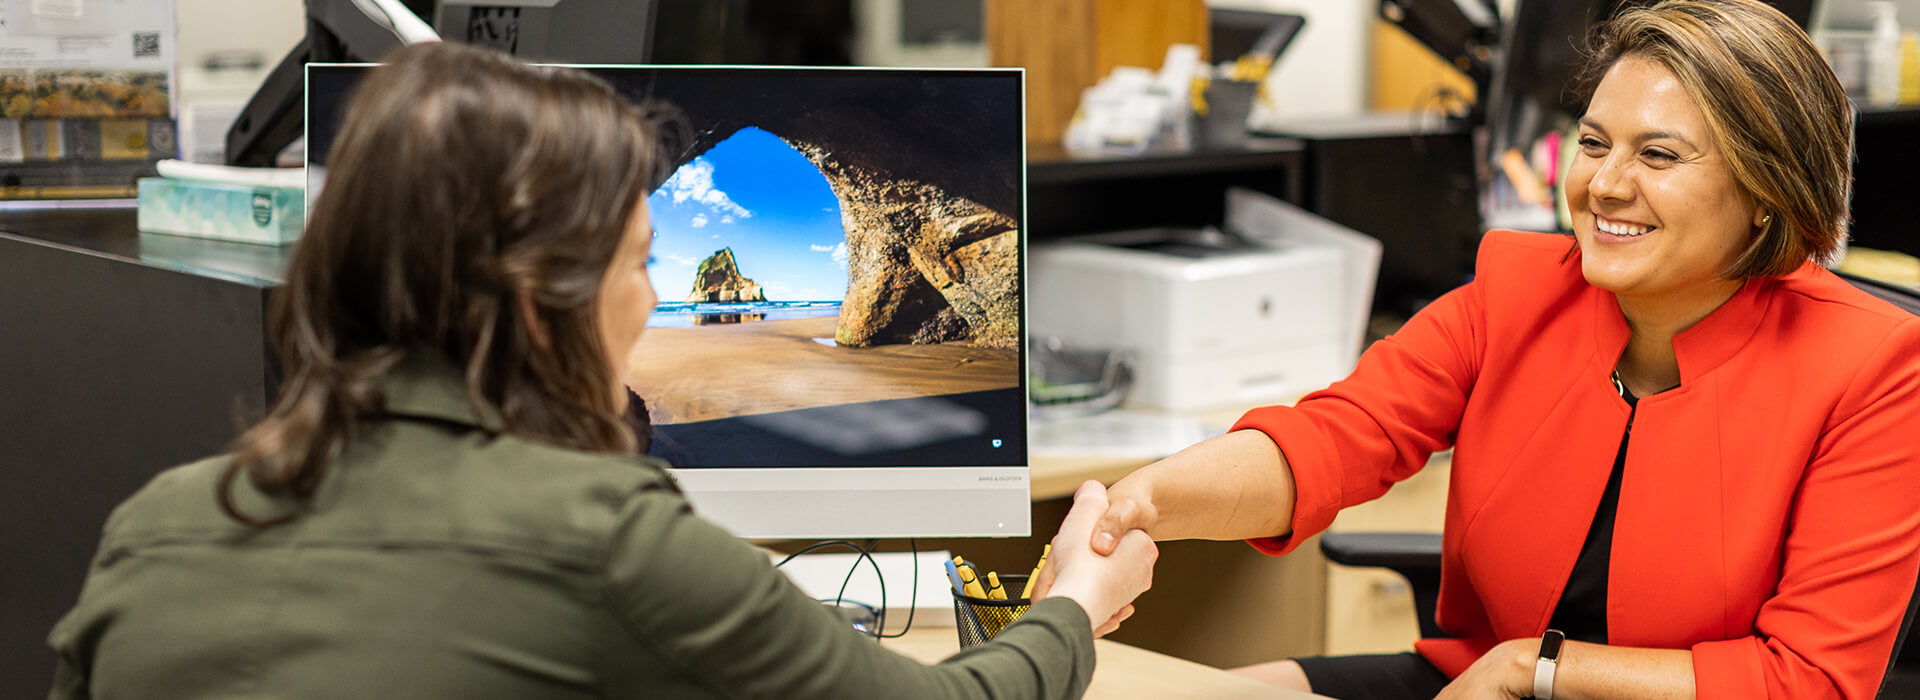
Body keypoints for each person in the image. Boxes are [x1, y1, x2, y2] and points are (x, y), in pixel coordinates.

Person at [47, 41, 1156, 700]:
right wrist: (1070, 606)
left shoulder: (156, 524)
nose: (652, 295)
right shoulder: (603, 539)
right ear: (543, 301)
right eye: (640, 265)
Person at [1063, 0, 1920, 697]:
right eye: (1592, 142)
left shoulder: (1874, 366)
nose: (1603, 184)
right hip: (1472, 681)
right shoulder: (1516, 292)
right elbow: (1331, 441)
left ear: (1767, 193)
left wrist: (1530, 668)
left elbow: (1808, 680)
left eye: (1658, 154)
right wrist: (1151, 501)